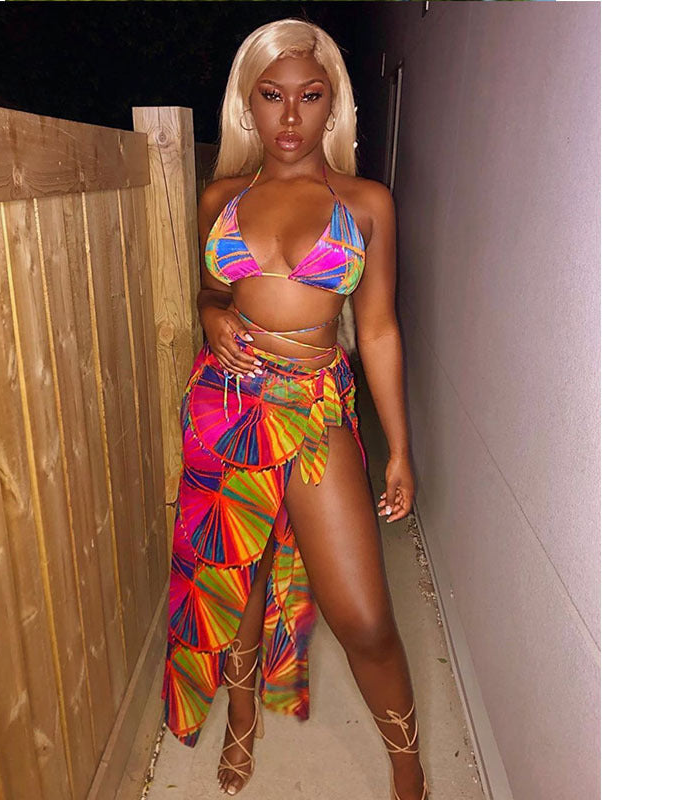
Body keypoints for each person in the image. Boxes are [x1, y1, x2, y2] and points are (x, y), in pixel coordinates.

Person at [160, 18, 430, 800]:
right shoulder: (221, 197)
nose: (289, 116)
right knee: (235, 581)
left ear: (332, 104)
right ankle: (242, 718)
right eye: (270, 95)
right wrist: (211, 313)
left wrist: (399, 449)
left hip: (313, 412)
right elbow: (214, 290)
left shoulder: (365, 203)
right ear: (246, 104)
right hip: (225, 405)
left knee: (363, 616)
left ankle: (407, 763)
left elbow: (377, 330)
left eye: (309, 96)